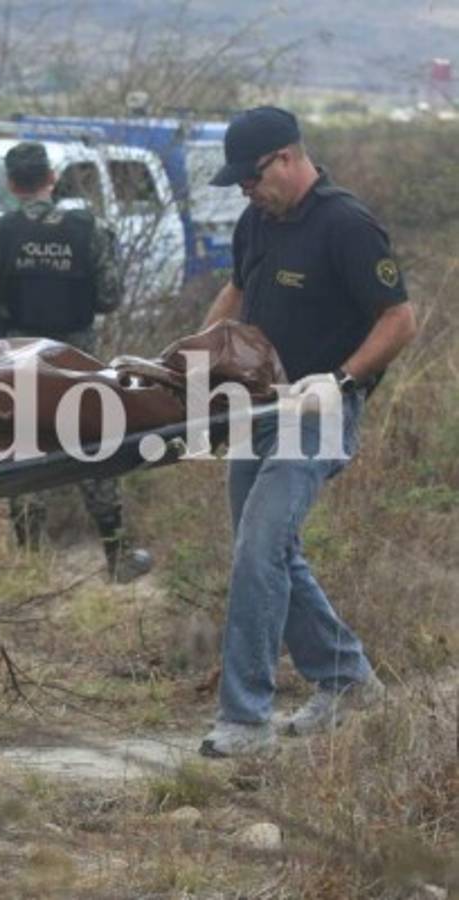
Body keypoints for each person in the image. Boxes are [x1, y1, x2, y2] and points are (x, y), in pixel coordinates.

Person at [197, 106, 417, 757]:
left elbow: (399, 319)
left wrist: (341, 381)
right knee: (266, 551)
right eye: (238, 181)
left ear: (288, 159)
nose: (245, 189)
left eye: (252, 177)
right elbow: (236, 293)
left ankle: (244, 720)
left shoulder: (345, 225)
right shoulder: (256, 221)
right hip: (259, 410)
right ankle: (346, 678)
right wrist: (195, 358)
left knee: (259, 549)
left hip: (318, 413)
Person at [0, 141, 152, 583]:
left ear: (11, 184)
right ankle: (117, 555)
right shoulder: (92, 230)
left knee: (25, 448)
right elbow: (110, 298)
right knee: (93, 445)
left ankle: (31, 563)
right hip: (77, 356)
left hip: (20, 356)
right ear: (51, 178)